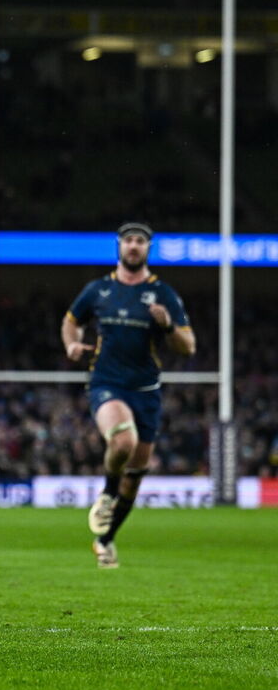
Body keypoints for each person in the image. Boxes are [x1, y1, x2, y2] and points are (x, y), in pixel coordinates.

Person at [61, 222, 196, 568]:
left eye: (140, 241)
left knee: (135, 479)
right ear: (119, 246)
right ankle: (107, 492)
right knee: (123, 442)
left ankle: (105, 541)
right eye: (129, 241)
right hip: (107, 382)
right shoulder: (99, 289)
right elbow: (70, 321)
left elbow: (188, 346)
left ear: (148, 248)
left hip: (147, 391)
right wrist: (72, 344)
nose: (134, 246)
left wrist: (167, 325)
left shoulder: (162, 294)